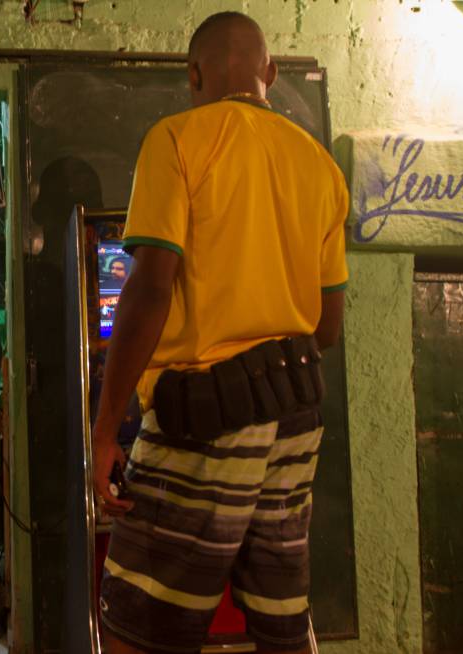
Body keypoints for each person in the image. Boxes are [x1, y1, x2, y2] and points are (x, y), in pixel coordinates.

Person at [92, 11, 348, 654]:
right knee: (281, 621)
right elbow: (328, 326)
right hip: (295, 422)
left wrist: (103, 432)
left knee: (138, 624)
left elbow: (150, 289)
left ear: (193, 74)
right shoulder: (321, 167)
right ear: (272, 73)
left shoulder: (177, 139)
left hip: (202, 421)